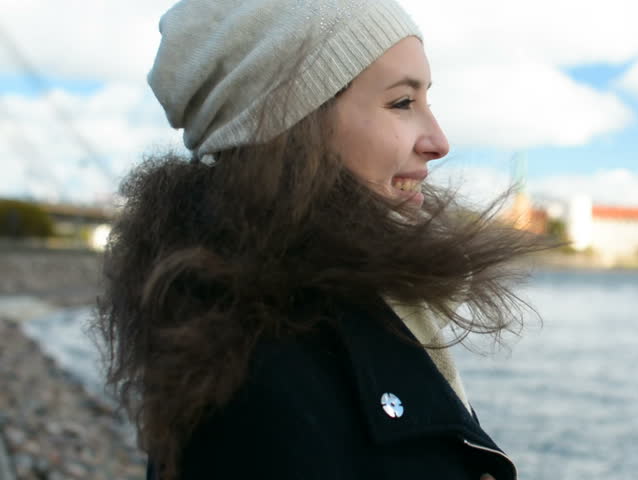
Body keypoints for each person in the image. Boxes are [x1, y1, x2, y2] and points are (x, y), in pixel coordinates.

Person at [93, 0, 553, 479]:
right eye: (402, 103)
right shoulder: (260, 367)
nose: (438, 141)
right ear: (292, 127)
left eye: (426, 102)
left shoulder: (321, 305)